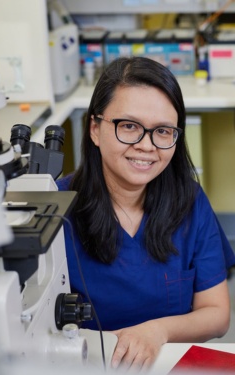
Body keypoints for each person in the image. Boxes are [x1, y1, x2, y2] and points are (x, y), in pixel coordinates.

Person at [58, 56, 235, 372]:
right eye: (129, 126)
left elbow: (217, 314)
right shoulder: (56, 207)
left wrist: (158, 331)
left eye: (163, 131)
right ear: (95, 129)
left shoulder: (189, 200)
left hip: (166, 363)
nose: (147, 145)